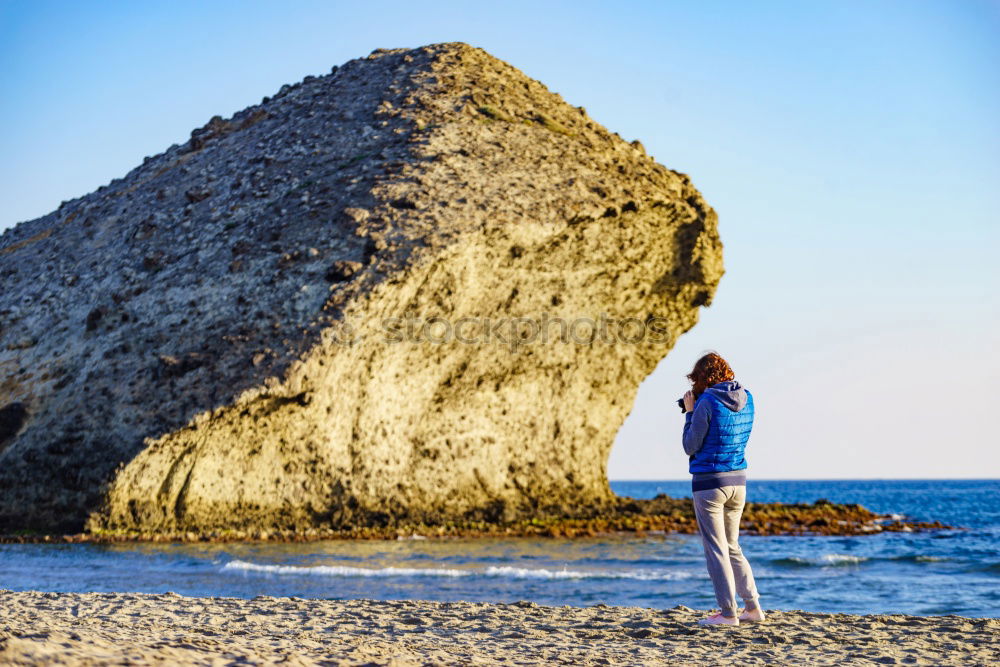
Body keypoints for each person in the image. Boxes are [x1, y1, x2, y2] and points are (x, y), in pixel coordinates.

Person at [681, 352, 765, 626]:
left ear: (704, 378)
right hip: (738, 480)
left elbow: (690, 446)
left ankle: (728, 614)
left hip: (709, 483)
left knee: (716, 549)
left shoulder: (705, 402)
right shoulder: (748, 398)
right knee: (733, 547)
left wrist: (690, 413)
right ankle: (752, 608)